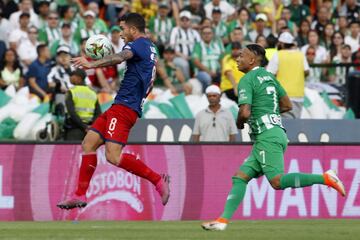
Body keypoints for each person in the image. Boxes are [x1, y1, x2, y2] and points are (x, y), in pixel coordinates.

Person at [201, 44, 346, 231]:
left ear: (252, 59)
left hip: (266, 137)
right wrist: (269, 113)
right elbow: (287, 104)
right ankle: (222, 221)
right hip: (274, 132)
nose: (237, 58)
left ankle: (325, 178)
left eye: (241, 55)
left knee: (277, 181)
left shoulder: (247, 79)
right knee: (240, 177)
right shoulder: (269, 77)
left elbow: (244, 113)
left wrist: (239, 123)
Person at [57, 13, 170, 210]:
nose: (121, 34)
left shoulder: (137, 45)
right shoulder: (150, 47)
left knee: (113, 156)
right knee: (89, 143)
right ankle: (79, 194)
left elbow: (119, 57)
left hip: (125, 108)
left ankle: (157, 180)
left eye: (123, 29)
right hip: (119, 105)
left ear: (133, 30)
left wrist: (91, 63)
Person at [267, 32, 309, 119]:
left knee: (284, 125)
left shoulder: (278, 55)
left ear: (281, 44)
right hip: (298, 95)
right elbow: (306, 71)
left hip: (282, 96)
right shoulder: (300, 55)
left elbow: (269, 75)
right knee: (295, 123)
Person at [64, 68, 101, 141]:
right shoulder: (92, 93)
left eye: (72, 76)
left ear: (78, 78)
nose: (70, 77)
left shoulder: (71, 92)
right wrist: (91, 128)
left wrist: (84, 127)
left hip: (74, 129)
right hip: (90, 131)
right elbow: (98, 114)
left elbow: (72, 113)